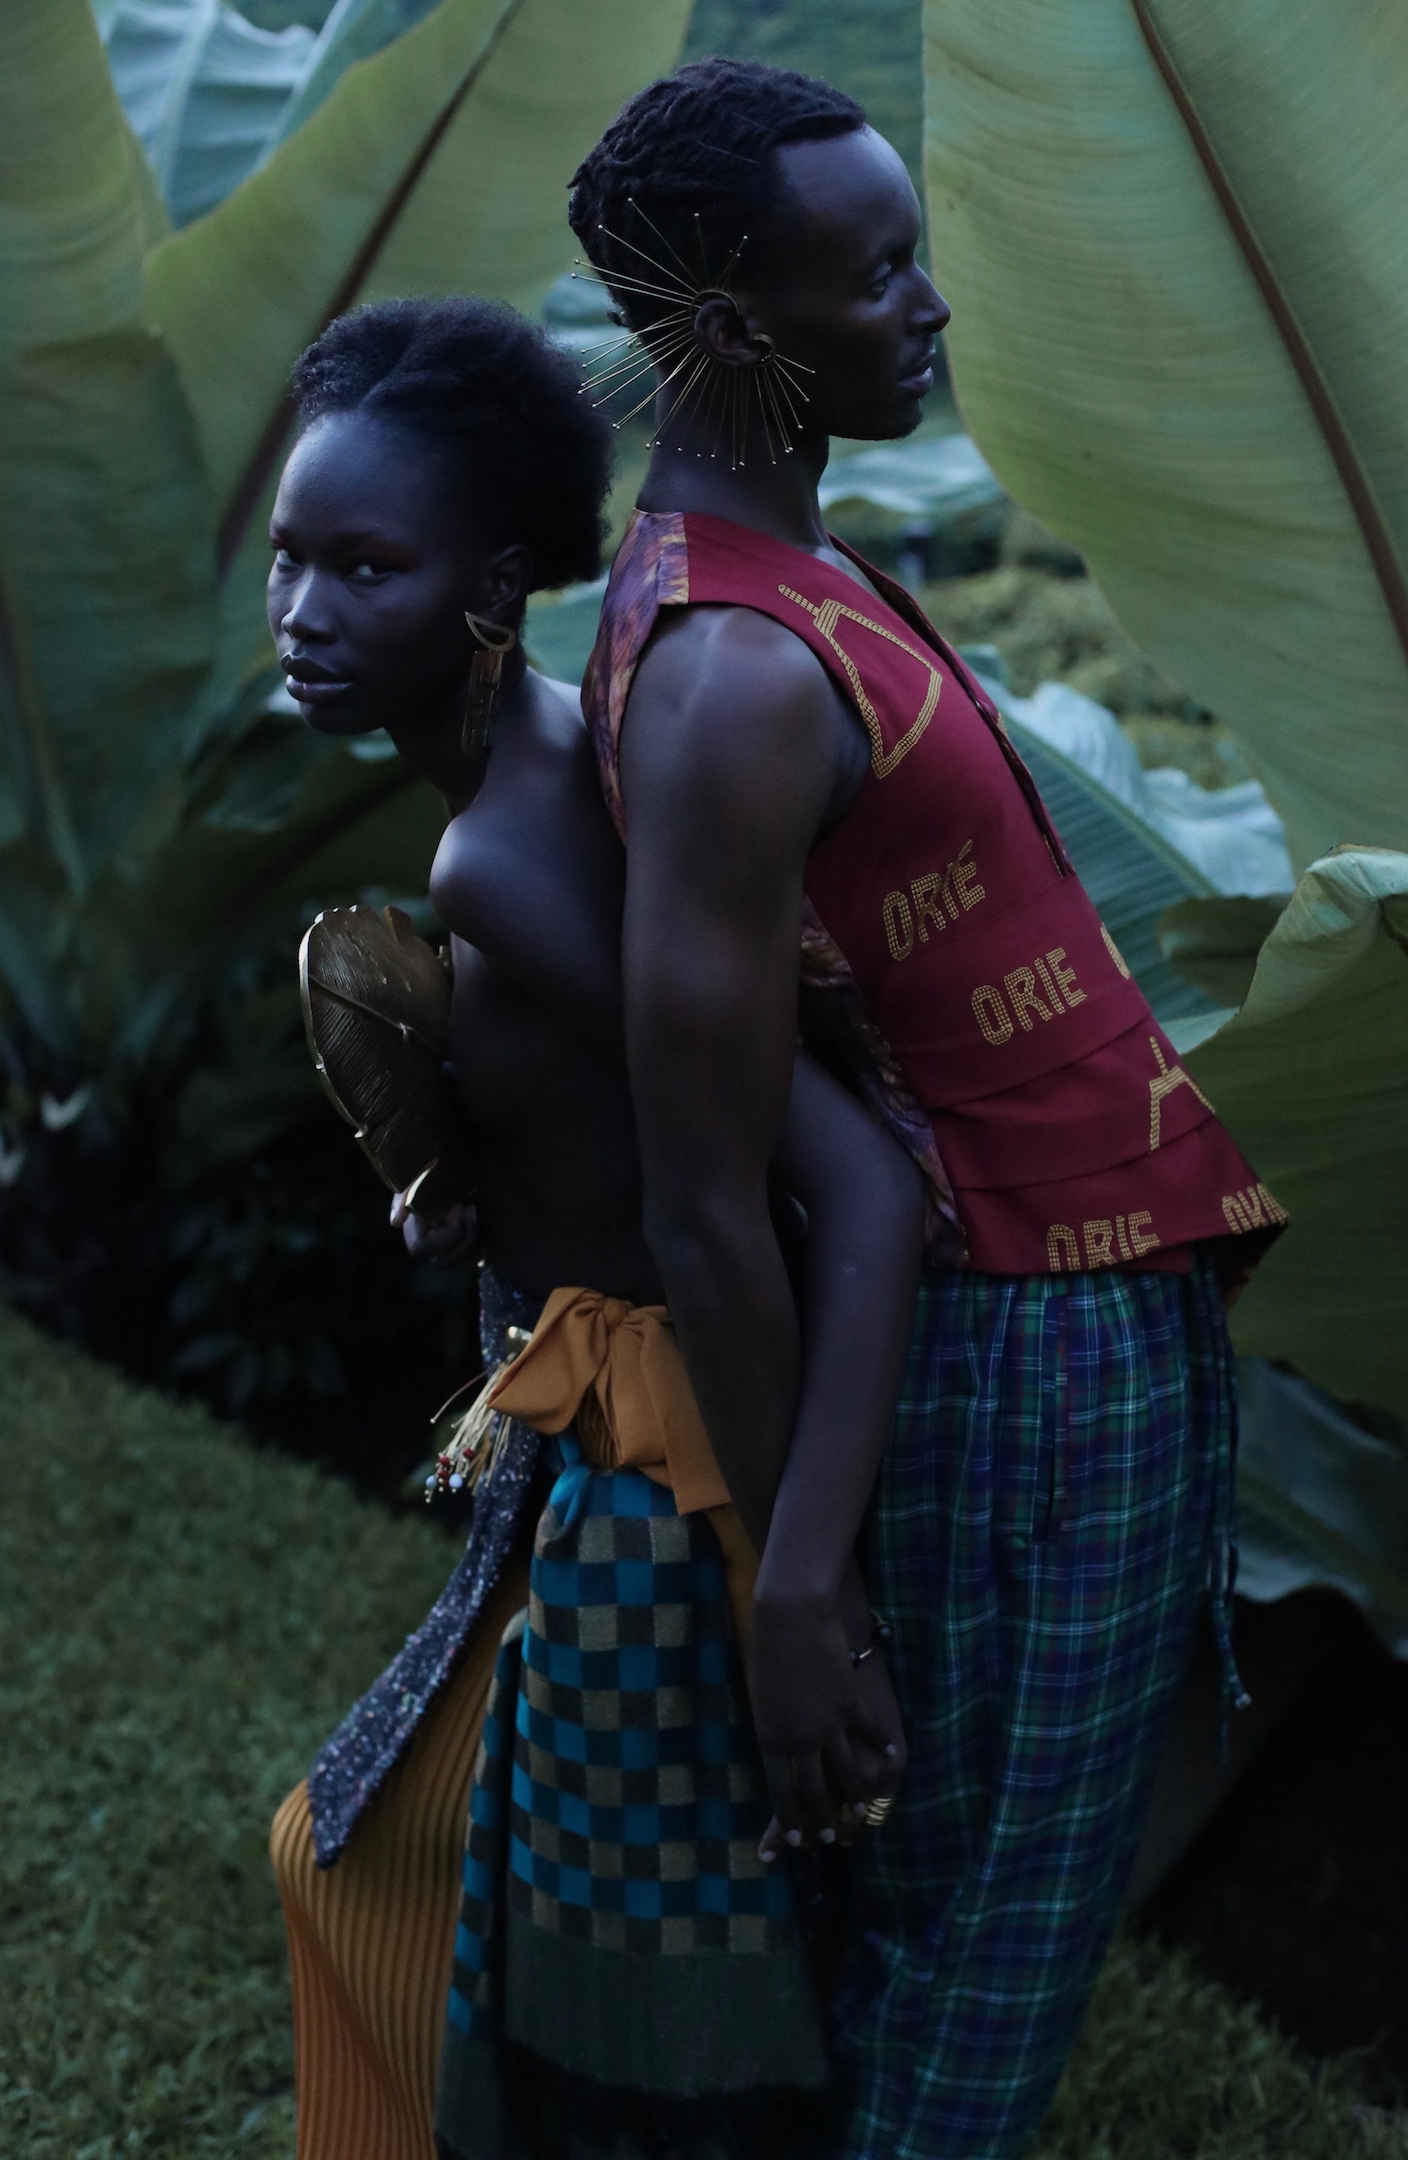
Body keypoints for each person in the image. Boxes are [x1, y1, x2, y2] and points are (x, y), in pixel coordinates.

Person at [568, 57, 1286, 2160]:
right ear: (721, 316)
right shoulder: (731, 674)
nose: (927, 306)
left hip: (1061, 1314)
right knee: (976, 1963)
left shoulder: (779, 583)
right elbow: (703, 1180)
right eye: (868, 274)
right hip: (1031, 1354)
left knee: (948, 1931)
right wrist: (794, 1587)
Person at [262, 296, 925, 2160]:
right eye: (292, 559)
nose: (306, 611)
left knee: (597, 1998)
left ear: (495, 584)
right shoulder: (531, 767)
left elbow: (835, 1181)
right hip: (610, 1432)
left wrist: (800, 1571)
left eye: (367, 567)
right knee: (443, 1886)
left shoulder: (504, 844)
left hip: (669, 1468)